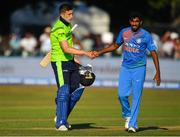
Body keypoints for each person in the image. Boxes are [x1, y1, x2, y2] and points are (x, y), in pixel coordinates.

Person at [93, 12, 161, 133]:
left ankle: (133, 125)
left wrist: (158, 73)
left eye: (136, 21)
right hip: (125, 67)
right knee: (122, 95)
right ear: (130, 22)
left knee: (136, 96)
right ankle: (127, 114)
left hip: (139, 68)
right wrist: (99, 52)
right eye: (132, 21)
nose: (134, 23)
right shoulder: (124, 32)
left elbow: (154, 53)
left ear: (141, 22)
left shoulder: (146, 35)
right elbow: (115, 45)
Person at [50, 2, 94, 131]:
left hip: (70, 61)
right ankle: (61, 122)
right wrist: (85, 52)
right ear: (62, 14)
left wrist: (75, 58)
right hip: (59, 61)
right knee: (64, 90)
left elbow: (69, 47)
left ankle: (60, 113)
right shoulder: (58, 28)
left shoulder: (67, 26)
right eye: (69, 14)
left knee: (77, 89)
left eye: (72, 13)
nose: (71, 15)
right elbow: (65, 48)